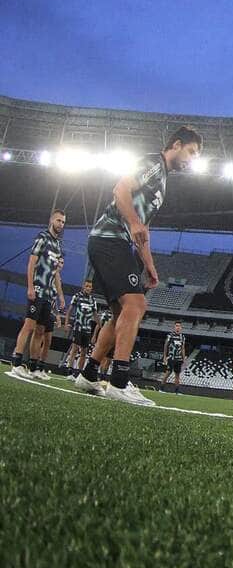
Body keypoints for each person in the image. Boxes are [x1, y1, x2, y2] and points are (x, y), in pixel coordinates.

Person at [74, 126, 203, 405]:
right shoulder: (153, 164)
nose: (192, 160)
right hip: (110, 238)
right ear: (176, 144)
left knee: (120, 312)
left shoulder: (163, 179)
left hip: (115, 243)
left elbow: (143, 227)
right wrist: (132, 222)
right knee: (136, 305)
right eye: (191, 152)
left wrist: (150, 265)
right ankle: (119, 382)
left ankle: (89, 373)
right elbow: (120, 188)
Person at [9, 209, 65, 379]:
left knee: (40, 330)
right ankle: (16, 363)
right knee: (29, 326)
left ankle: (34, 368)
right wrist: (30, 287)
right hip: (38, 289)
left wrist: (60, 296)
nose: (61, 224)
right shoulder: (42, 238)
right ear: (51, 220)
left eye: (63, 222)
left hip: (48, 294)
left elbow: (55, 273)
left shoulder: (58, 245)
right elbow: (31, 263)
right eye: (58, 220)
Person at [63, 280, 98, 379]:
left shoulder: (93, 300)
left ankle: (79, 373)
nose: (88, 288)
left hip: (87, 329)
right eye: (86, 286)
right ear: (83, 287)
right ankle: (70, 372)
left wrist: (100, 327)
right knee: (74, 349)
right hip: (78, 327)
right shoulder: (77, 296)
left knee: (84, 352)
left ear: (91, 288)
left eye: (90, 287)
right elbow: (69, 311)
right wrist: (66, 323)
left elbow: (95, 315)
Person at [160, 322, 186, 393]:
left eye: (179, 326)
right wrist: (164, 356)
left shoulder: (182, 337)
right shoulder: (170, 335)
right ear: (174, 327)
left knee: (177, 374)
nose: (178, 327)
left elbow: (183, 348)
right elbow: (166, 346)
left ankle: (177, 391)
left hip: (179, 358)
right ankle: (161, 388)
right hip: (171, 358)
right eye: (176, 326)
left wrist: (183, 358)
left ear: (181, 328)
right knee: (168, 372)